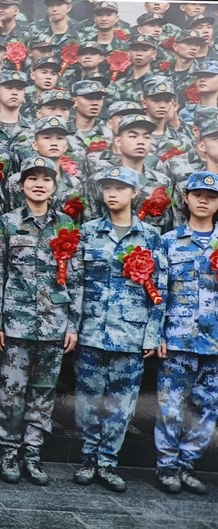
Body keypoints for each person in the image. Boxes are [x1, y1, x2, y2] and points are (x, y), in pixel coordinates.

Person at [0, 155, 83, 485]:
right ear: (21, 185)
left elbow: (76, 280)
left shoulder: (67, 226)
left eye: (46, 179)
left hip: (54, 323)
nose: (39, 184)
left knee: (44, 393)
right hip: (16, 322)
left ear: (55, 186)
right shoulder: (8, 223)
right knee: (11, 391)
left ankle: (32, 452)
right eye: (32, 178)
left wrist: (72, 324)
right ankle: (8, 452)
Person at [74, 166, 167, 493]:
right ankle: (87, 459)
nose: (112, 193)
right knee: (88, 400)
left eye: (120, 188)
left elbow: (159, 289)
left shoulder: (151, 236)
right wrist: (74, 326)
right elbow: (76, 283)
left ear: (135, 193)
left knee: (121, 403)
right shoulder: (89, 231)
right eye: (107, 188)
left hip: (131, 333)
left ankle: (108, 462)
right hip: (91, 330)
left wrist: (152, 334)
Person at [155, 171, 218, 495]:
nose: (204, 201)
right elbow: (159, 293)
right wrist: (158, 334)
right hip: (178, 337)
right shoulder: (169, 241)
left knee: (208, 406)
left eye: (211, 196)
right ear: (186, 199)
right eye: (198, 195)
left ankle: (187, 465)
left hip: (215, 340)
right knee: (171, 405)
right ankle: (166, 466)